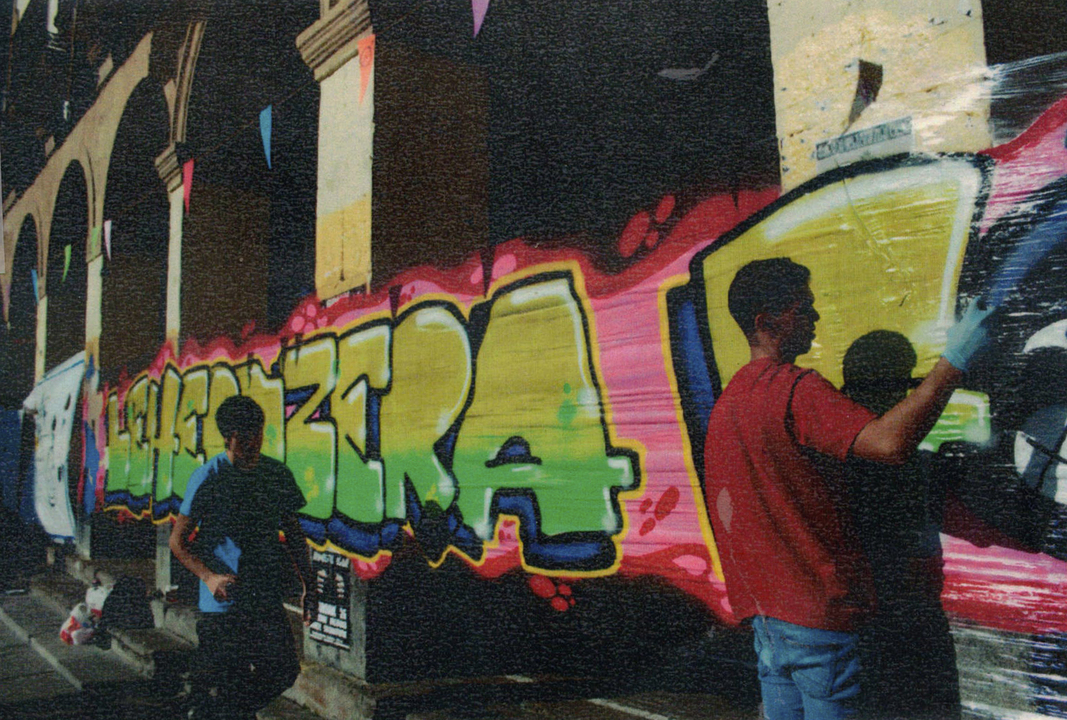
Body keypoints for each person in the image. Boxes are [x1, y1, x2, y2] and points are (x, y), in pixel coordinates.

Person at [702, 258, 992, 720]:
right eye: (804, 308)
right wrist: (953, 362)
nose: (815, 316)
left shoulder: (729, 403)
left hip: (768, 621)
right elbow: (889, 443)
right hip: (818, 620)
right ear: (767, 322)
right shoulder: (795, 390)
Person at [170, 395, 316, 720]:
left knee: (283, 671)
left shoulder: (276, 474)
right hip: (224, 603)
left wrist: (310, 585)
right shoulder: (209, 477)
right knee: (230, 685)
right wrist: (209, 577)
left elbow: (294, 535)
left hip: (264, 597)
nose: (253, 442)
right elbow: (177, 542)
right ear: (228, 437)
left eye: (257, 433)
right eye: (244, 436)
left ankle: (215, 712)